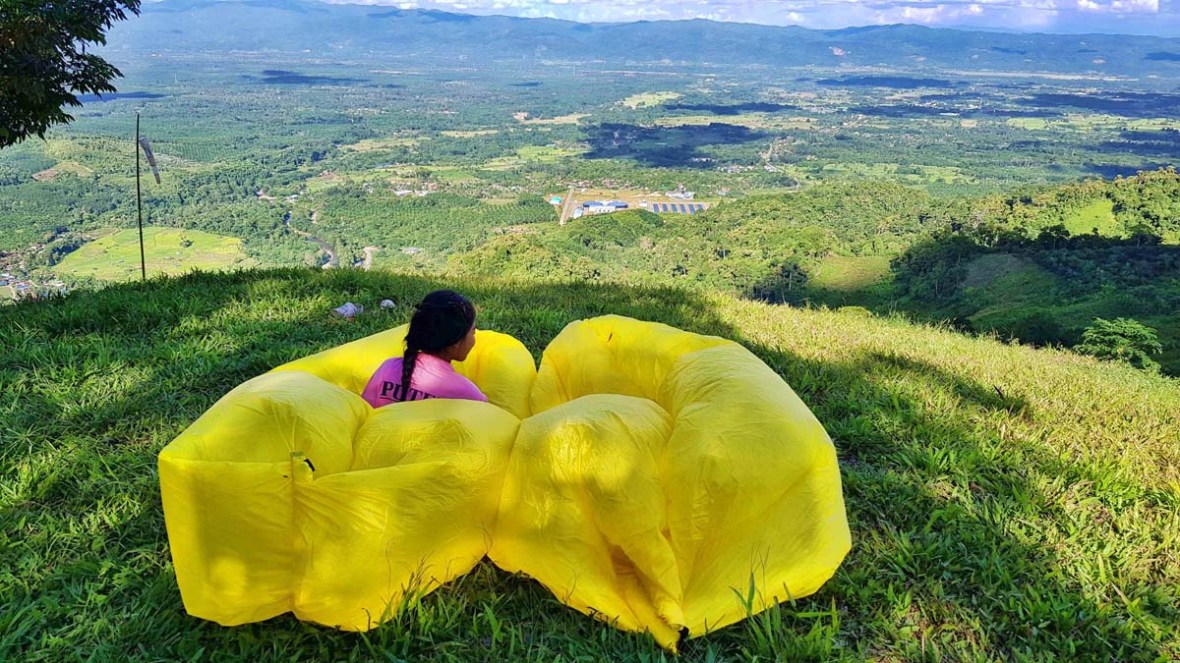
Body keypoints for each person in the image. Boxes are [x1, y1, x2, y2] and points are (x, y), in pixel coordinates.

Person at [361, 290, 488, 408]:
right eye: (473, 331)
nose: (474, 337)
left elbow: (364, 413)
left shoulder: (387, 368)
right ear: (456, 341)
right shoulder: (469, 395)